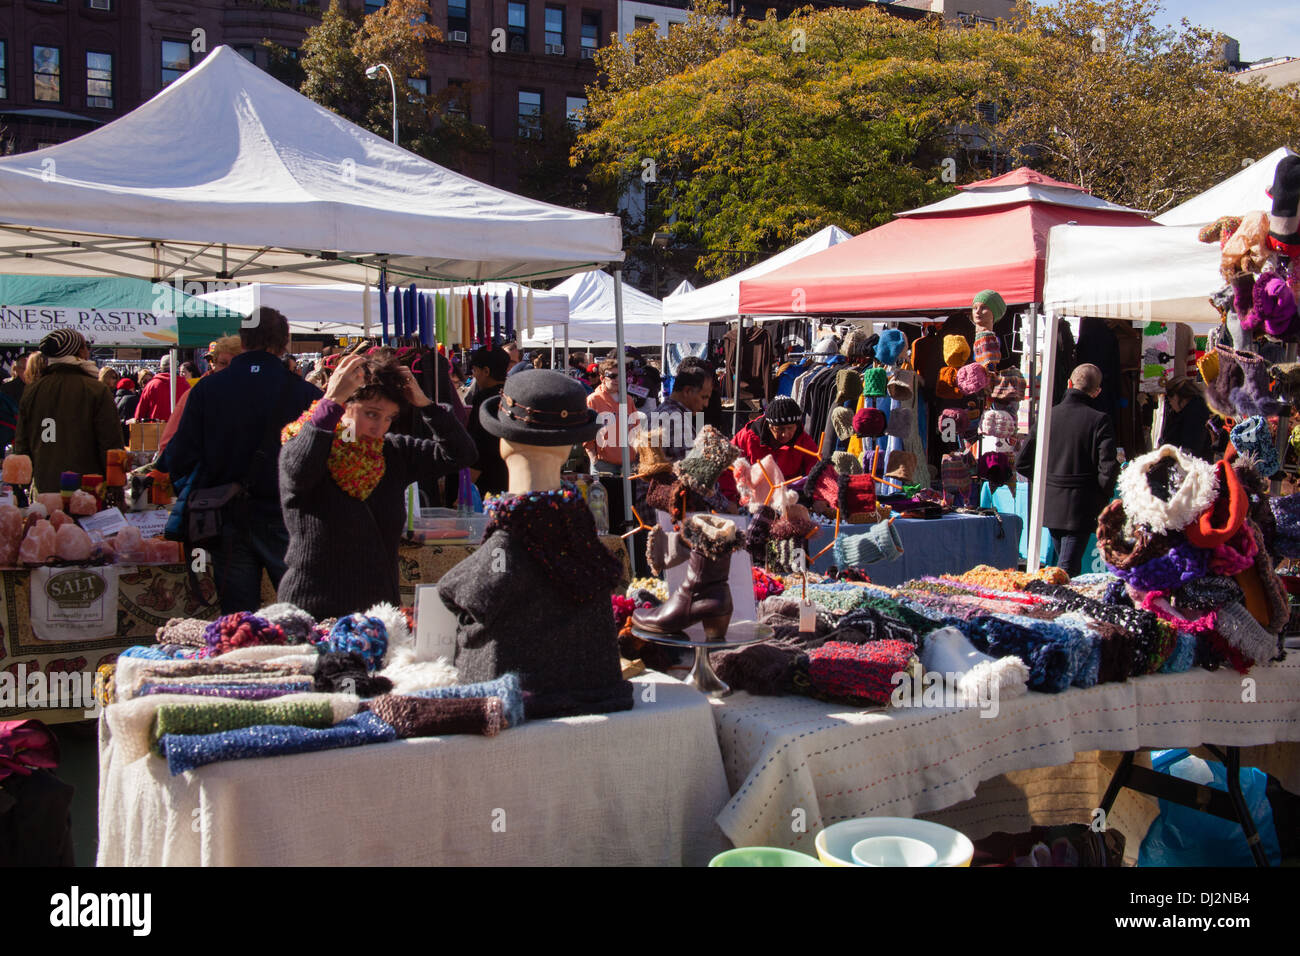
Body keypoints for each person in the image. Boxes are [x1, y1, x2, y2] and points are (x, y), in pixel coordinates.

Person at [278, 354, 476, 618]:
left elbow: (461, 454)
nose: (379, 427)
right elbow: (298, 471)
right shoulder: (308, 446)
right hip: (314, 610)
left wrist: (426, 405)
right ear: (344, 404)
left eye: (389, 417)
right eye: (371, 414)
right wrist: (330, 401)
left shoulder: (392, 452)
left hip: (378, 612)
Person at [161, 308, 322, 613]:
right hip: (285, 515)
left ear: (243, 339)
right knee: (302, 612)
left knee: (238, 619)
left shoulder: (207, 390)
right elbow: (322, 460)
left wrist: (205, 490)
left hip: (226, 517)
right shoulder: (306, 394)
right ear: (284, 342)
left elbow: (178, 457)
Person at [1016, 363, 1118, 577]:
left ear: (1069, 383)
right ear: (1097, 391)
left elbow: (1022, 462)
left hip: (1054, 501)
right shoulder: (1099, 420)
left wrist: (1049, 480)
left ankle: (1057, 603)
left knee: (1065, 563)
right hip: (1081, 504)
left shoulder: (1048, 416)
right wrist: (1100, 496)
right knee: (1066, 568)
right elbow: (1107, 468)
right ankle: (1057, 605)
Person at [11, 329, 124, 494]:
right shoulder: (96, 390)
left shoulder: (32, 390)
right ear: (79, 352)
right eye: (86, 346)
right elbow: (111, 445)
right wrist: (116, 488)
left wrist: (23, 486)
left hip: (44, 487)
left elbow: (22, 444)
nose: (89, 351)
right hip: (88, 488)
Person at [157, 336, 242, 457]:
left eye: (234, 363)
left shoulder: (252, 394)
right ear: (214, 363)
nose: (228, 369)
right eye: (222, 363)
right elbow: (168, 444)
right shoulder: (196, 393)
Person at [464, 346, 511, 498]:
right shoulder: (513, 396)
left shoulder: (485, 401)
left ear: (486, 371)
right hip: (511, 476)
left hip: (488, 483)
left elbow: (481, 447)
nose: (475, 375)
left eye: (475, 370)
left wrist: (465, 489)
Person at [650, 362, 713, 462]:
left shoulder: (663, 410)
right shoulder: (676, 419)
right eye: (704, 397)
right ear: (687, 391)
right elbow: (691, 466)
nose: (706, 404)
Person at [1159, 377, 1214, 462]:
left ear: (1179, 396)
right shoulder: (1183, 412)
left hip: (1191, 465)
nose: (1170, 402)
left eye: (1171, 398)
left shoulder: (1196, 412)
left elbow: (1191, 447)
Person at [134, 354, 189, 421]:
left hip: (156, 429)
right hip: (179, 427)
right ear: (175, 367)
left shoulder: (151, 385)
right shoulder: (185, 385)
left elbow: (140, 413)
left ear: (161, 368)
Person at [114, 378, 139, 444]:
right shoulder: (132, 399)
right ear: (131, 388)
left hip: (118, 433)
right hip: (129, 433)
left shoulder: (114, 399)